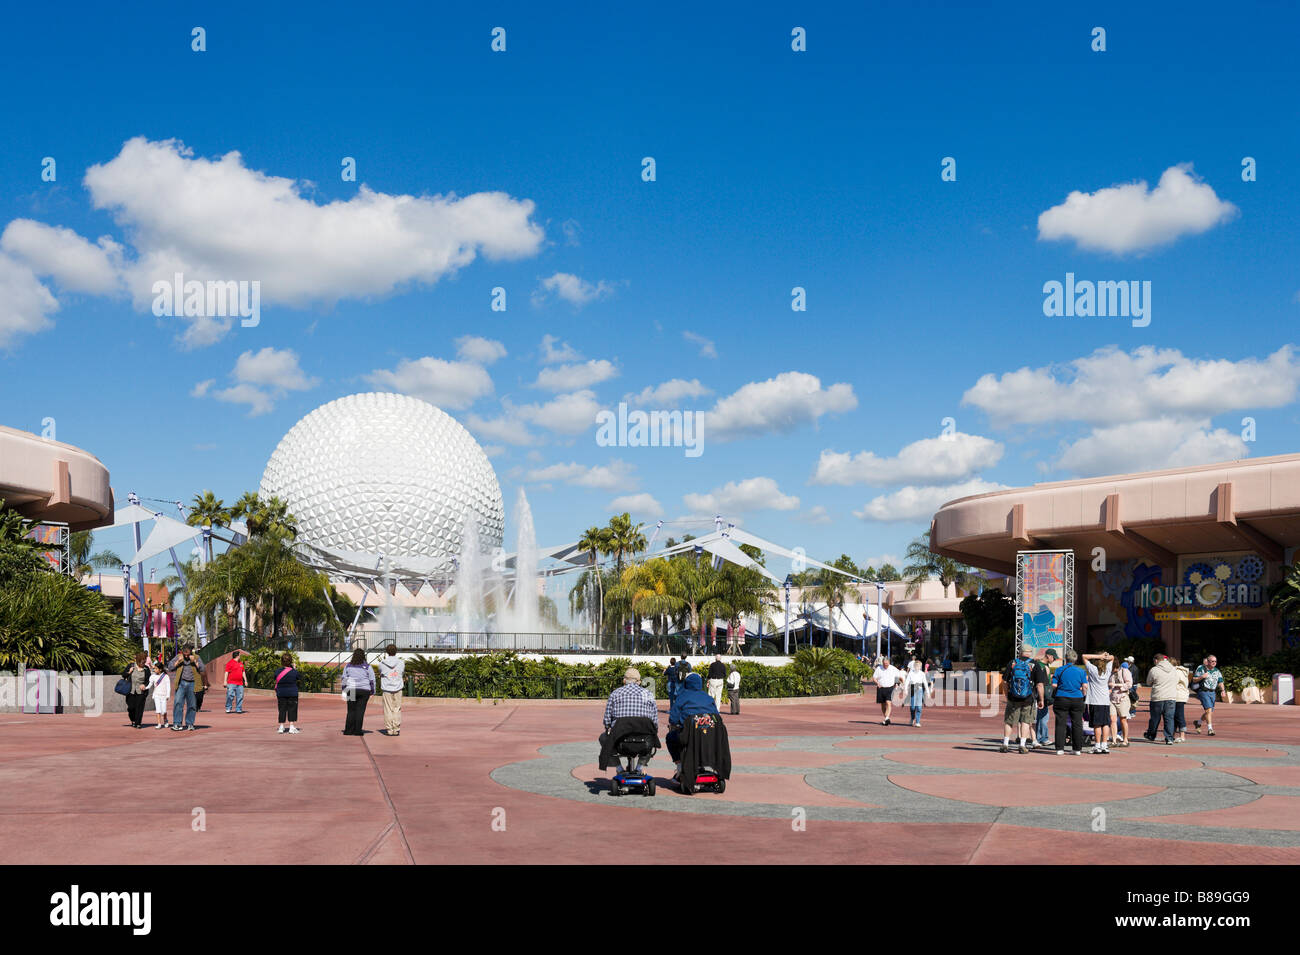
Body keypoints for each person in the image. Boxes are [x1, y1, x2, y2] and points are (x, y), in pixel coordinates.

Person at [601, 667, 659, 775]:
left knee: (603, 738)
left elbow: (607, 720)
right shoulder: (648, 694)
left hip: (620, 740)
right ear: (639, 682)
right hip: (644, 741)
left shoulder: (615, 694)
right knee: (652, 736)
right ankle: (639, 767)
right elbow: (654, 722)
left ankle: (619, 769)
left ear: (624, 680)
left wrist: (609, 727)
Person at [666, 671, 717, 780]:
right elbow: (716, 717)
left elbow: (673, 719)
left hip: (689, 736)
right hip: (710, 736)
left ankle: (679, 767)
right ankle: (702, 764)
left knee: (670, 737)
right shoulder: (709, 698)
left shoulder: (682, 697)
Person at [1001, 644, 1043, 753]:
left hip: (1013, 698)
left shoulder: (1013, 663)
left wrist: (1007, 695)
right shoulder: (1034, 664)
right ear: (1030, 652)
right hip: (1028, 698)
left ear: (1020, 652)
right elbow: (1039, 685)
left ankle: (1005, 744)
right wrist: (1041, 699)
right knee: (1025, 721)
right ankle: (1022, 745)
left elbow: (1005, 681)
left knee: (1009, 721)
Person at [1051, 649, 1087, 755]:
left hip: (1061, 697)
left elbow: (1054, 685)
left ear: (1066, 659)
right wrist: (1083, 695)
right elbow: (1085, 686)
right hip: (1077, 698)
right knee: (1077, 724)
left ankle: (1059, 748)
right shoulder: (1081, 671)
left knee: (1060, 723)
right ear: (1075, 659)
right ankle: (1077, 749)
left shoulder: (1059, 670)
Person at [1081, 652, 1115, 754]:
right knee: (1105, 723)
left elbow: (1084, 656)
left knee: (1097, 724)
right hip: (1105, 701)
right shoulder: (1108, 670)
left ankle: (1097, 745)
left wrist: (1099, 656)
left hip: (1095, 701)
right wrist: (1105, 657)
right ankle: (1104, 745)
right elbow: (1113, 657)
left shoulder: (1093, 669)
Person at [166, 644, 203, 731]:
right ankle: (177, 724)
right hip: (181, 683)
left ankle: (190, 723)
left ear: (191, 652)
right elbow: (170, 667)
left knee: (192, 705)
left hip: (192, 684)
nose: (186, 655)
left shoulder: (196, 657)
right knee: (178, 703)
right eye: (184, 654)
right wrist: (177, 662)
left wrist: (195, 662)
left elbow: (202, 668)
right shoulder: (178, 657)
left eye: (188, 654)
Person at [1143, 653, 1178, 744]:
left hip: (1158, 697)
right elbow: (1176, 681)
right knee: (1169, 718)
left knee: (1155, 718)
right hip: (1171, 697)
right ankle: (1169, 738)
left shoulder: (1154, 669)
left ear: (1156, 660)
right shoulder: (1174, 669)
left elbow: (1148, 682)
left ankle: (1151, 734)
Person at [341, 648, 376, 736]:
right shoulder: (367, 666)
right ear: (363, 656)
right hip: (364, 690)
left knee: (351, 710)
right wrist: (372, 691)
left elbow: (344, 678)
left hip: (351, 689)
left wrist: (344, 689)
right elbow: (372, 680)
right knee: (360, 711)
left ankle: (348, 730)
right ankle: (357, 731)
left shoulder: (348, 666)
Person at [1192, 655, 1227, 736]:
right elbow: (1194, 679)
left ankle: (1198, 722)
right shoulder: (1201, 669)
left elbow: (1220, 681)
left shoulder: (1217, 671)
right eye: (1212, 661)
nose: (1214, 663)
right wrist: (1202, 676)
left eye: (1215, 661)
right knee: (1208, 710)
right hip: (1203, 691)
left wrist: (1223, 690)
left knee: (1210, 711)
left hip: (1212, 692)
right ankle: (1210, 729)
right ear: (1208, 662)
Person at [377, 643, 405, 736]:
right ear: (396, 651)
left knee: (388, 709)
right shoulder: (401, 662)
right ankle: (396, 729)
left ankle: (389, 729)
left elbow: (381, 672)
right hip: (398, 687)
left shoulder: (382, 663)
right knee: (397, 708)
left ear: (387, 652)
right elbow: (402, 672)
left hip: (387, 688)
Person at [1109, 655, 1134, 746]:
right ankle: (1114, 740)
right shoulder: (1110, 673)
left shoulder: (1124, 671)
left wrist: (1118, 685)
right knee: (1112, 719)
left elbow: (1129, 684)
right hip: (1112, 697)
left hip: (1122, 697)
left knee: (1123, 719)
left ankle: (1125, 739)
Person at [274, 653, 301, 734]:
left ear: (282, 661)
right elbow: (299, 677)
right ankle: (291, 727)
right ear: (291, 661)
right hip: (292, 693)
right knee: (292, 709)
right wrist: (294, 668)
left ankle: (281, 727)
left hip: (281, 693)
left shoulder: (278, 671)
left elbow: (275, 678)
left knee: (281, 709)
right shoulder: (294, 672)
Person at [1037, 648, 1059, 745]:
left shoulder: (1039, 664)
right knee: (1043, 717)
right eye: (1053, 658)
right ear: (1048, 656)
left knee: (1040, 717)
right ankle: (1043, 738)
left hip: (1039, 693)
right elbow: (1042, 683)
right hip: (1042, 694)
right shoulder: (1043, 666)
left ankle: (1038, 737)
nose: (1054, 660)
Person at [873, 656, 902, 726]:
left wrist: (897, 683)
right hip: (881, 688)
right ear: (882, 663)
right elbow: (874, 678)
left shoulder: (892, 668)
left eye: (887, 664)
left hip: (890, 688)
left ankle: (887, 718)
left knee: (888, 703)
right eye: (884, 664)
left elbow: (899, 676)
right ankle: (886, 718)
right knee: (883, 704)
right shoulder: (879, 668)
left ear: (889, 663)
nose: (885, 665)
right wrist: (877, 683)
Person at [124, 652, 150, 728]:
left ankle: (138, 723)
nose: (143, 663)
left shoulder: (146, 669)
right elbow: (123, 675)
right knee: (131, 707)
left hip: (141, 692)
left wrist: (144, 685)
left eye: (144, 662)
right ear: (138, 660)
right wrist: (129, 672)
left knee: (140, 707)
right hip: (130, 691)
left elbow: (149, 680)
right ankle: (133, 720)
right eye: (142, 662)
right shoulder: (131, 666)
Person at [903, 659, 930, 727]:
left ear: (920, 667)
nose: (917, 667)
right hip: (912, 690)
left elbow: (925, 683)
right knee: (912, 707)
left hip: (920, 691)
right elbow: (907, 682)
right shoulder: (911, 673)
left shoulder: (922, 674)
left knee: (919, 707)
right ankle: (912, 718)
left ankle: (917, 722)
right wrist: (905, 689)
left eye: (918, 666)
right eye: (916, 666)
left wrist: (928, 692)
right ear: (914, 666)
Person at [146, 661, 170, 729]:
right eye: (154, 669)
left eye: (156, 668)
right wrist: (145, 688)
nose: (155, 670)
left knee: (164, 710)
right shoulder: (153, 676)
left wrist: (168, 695)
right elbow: (150, 685)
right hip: (156, 695)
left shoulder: (165, 676)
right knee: (158, 710)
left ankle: (165, 720)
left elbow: (168, 686)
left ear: (160, 669)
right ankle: (159, 723)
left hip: (164, 695)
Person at [1171, 657, 1190, 743]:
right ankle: (1172, 735)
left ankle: (1182, 736)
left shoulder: (1176, 672)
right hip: (1180, 695)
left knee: (1179, 715)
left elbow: (1173, 682)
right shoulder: (1181, 671)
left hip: (1178, 696)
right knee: (1175, 716)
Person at [224, 650, 246, 714]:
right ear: (237, 656)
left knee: (240, 696)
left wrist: (245, 680)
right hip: (231, 683)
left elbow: (243, 672)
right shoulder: (230, 663)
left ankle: (238, 708)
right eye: (240, 655)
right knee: (230, 695)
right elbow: (226, 672)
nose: (240, 656)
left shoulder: (241, 663)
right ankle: (228, 707)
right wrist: (225, 681)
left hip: (240, 683)